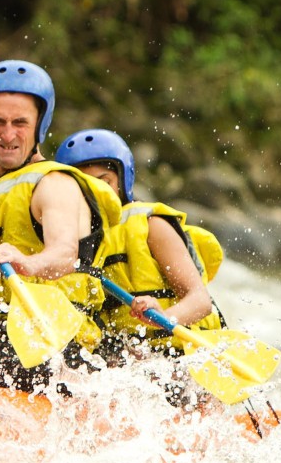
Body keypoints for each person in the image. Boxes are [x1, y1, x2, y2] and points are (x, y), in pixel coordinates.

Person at [0, 60, 121, 390]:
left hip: (51, 346)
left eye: (20, 123)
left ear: (39, 126)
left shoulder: (53, 184)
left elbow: (65, 253)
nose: (8, 135)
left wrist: (28, 263)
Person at [55, 128, 225, 360]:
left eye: (105, 182)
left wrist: (164, 315)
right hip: (124, 360)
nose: (97, 192)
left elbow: (200, 301)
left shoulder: (151, 226)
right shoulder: (69, 240)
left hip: (179, 354)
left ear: (122, 181)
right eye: (85, 186)